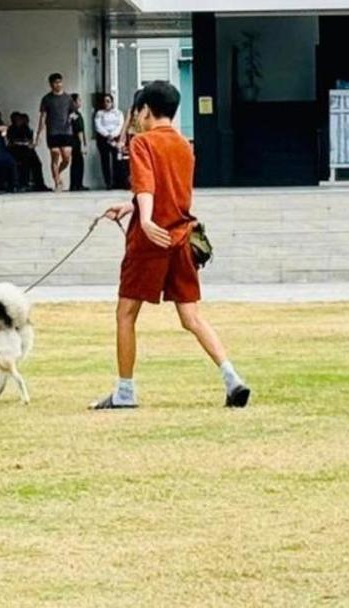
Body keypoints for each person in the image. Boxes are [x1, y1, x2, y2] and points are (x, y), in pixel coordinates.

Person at [91, 80, 250, 410]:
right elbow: (172, 191)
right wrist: (132, 206)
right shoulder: (184, 145)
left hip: (150, 241)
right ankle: (232, 377)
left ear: (145, 110)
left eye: (137, 112)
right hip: (182, 237)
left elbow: (148, 185)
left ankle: (125, 391)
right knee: (191, 317)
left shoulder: (142, 143)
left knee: (126, 314)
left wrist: (145, 219)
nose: (135, 118)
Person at [38, 73, 80, 191]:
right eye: (55, 83)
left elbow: (75, 112)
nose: (58, 85)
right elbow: (43, 116)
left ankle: (57, 173)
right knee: (55, 154)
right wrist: (39, 134)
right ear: (51, 84)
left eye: (60, 82)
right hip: (53, 131)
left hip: (66, 131)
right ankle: (57, 182)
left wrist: (71, 117)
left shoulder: (68, 98)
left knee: (66, 158)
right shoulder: (46, 99)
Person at [6, 110, 47, 192]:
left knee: (37, 163)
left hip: (27, 150)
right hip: (16, 151)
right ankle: (23, 183)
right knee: (25, 164)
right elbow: (12, 141)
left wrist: (31, 143)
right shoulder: (11, 129)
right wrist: (23, 143)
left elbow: (30, 139)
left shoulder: (26, 128)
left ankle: (40, 184)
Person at [93, 92, 126, 193]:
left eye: (108, 101)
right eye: (104, 102)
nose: (106, 104)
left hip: (115, 138)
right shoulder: (99, 113)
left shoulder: (118, 113)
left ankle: (117, 182)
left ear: (112, 102)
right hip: (104, 138)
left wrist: (114, 134)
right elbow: (98, 126)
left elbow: (121, 125)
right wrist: (107, 134)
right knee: (105, 161)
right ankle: (108, 183)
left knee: (117, 161)